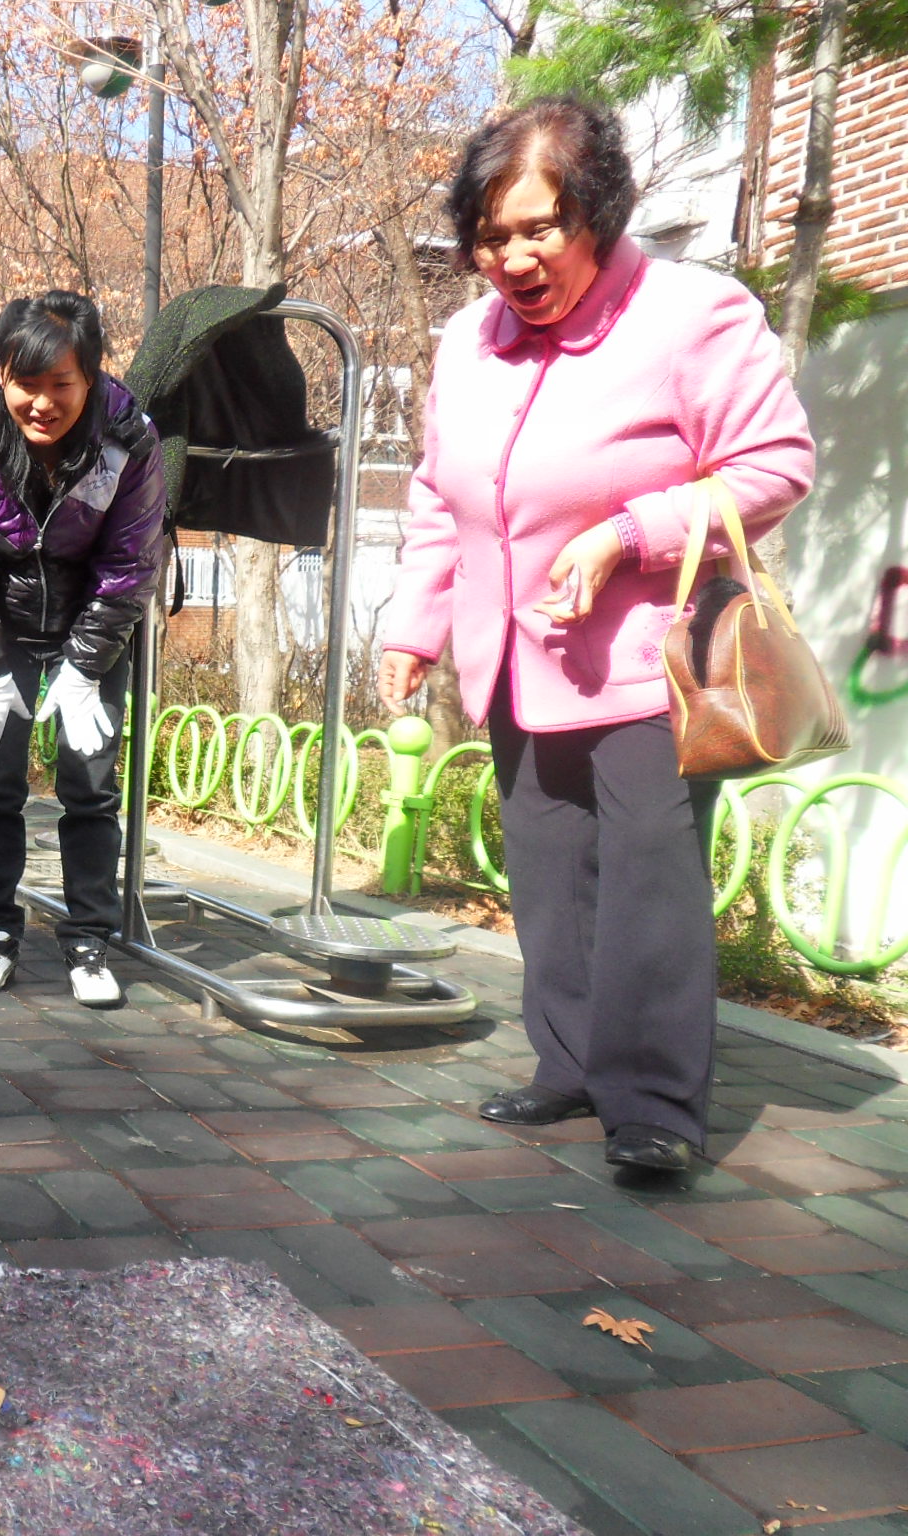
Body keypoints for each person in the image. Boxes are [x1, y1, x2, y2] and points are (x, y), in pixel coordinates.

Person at [378, 97, 813, 1175]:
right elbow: (440, 496)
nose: (513, 258)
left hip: (649, 664)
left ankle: (655, 1107)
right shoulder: (465, 342)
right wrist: (414, 626)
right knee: (547, 869)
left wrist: (627, 533)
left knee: (645, 884)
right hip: (516, 659)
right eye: (490, 235)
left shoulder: (690, 316)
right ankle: (566, 1067)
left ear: (598, 215)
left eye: (539, 228)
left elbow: (773, 464)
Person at [0, 290, 165, 1009]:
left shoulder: (129, 439)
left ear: (91, 377)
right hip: (1, 627)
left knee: (91, 788)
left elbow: (129, 562)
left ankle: (89, 939)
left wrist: (87, 667)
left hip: (94, 624)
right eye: (27, 383)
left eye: (62, 384)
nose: (42, 402)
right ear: (1, 374)